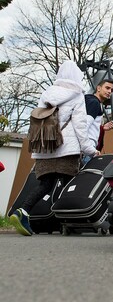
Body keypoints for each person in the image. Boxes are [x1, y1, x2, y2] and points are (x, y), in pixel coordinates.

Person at [9, 61, 99, 236]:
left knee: (45, 184)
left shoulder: (46, 94)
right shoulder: (77, 95)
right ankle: (67, 221)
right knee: (68, 184)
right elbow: (80, 125)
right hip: (67, 148)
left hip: (46, 146)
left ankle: (24, 211)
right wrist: (90, 149)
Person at [83, 79, 113, 165]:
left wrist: (101, 128)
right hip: (87, 149)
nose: (109, 91)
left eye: (112, 90)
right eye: (107, 88)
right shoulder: (94, 103)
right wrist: (90, 149)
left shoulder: (91, 102)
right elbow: (84, 126)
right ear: (98, 88)